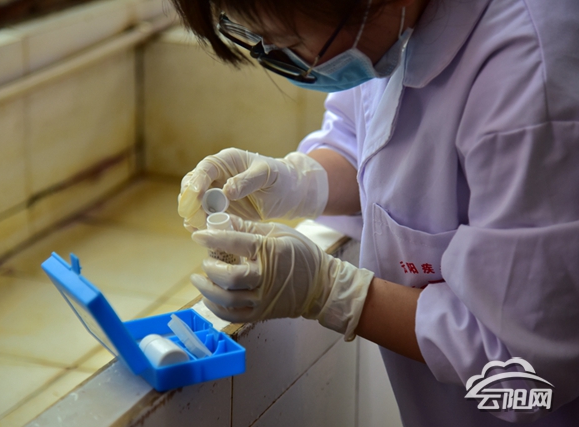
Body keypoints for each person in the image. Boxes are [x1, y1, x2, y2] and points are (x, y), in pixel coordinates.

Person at [172, 0, 579, 425]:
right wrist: (295, 181)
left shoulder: (531, 76)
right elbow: (368, 143)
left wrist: (329, 292)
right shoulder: (387, 29)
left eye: (288, 42)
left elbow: (526, 371)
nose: (278, 55)